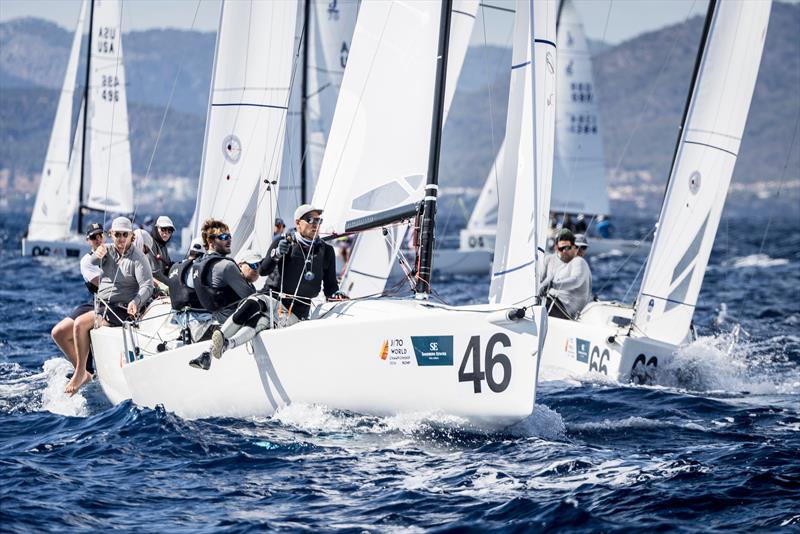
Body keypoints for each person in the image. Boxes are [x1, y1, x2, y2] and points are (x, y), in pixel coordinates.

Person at [189, 204, 346, 371]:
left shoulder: (326, 250)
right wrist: (276, 254)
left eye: (318, 220)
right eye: (310, 220)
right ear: (298, 223)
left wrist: (336, 294)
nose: (316, 224)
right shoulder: (283, 242)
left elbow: (330, 287)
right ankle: (223, 346)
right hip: (273, 303)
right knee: (260, 319)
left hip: (295, 313)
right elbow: (263, 270)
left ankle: (210, 349)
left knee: (256, 304)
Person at [70, 217, 153, 395]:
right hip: (103, 306)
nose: (121, 239)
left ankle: (80, 373)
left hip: (123, 309)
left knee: (79, 324)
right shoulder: (106, 251)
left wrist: (136, 301)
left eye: (125, 235)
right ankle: (86, 370)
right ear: (111, 235)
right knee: (68, 327)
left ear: (132, 236)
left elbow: (148, 285)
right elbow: (88, 263)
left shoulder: (138, 258)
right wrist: (96, 253)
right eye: (117, 235)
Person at [52, 223, 102, 390]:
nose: (98, 239)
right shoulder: (87, 261)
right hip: (95, 302)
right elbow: (103, 285)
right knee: (58, 332)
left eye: (101, 235)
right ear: (88, 240)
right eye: (94, 237)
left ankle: (84, 371)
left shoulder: (116, 254)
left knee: (80, 325)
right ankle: (84, 372)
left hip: (112, 303)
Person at [191, 219, 255, 323]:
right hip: (233, 322)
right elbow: (250, 296)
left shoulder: (197, 264)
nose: (229, 240)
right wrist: (247, 278)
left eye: (229, 237)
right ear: (210, 241)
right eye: (223, 237)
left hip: (211, 320)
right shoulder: (226, 266)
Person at [538, 229, 592, 320]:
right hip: (555, 303)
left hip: (564, 310)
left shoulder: (580, 262)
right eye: (577, 246)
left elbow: (576, 281)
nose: (580, 250)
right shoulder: (565, 262)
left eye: (584, 248)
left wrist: (553, 284)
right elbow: (542, 281)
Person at [149, 215, 175, 285]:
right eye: (163, 229)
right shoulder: (150, 244)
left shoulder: (163, 246)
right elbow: (154, 273)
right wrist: (171, 284)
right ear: (156, 229)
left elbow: (168, 264)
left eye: (170, 230)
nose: (166, 233)